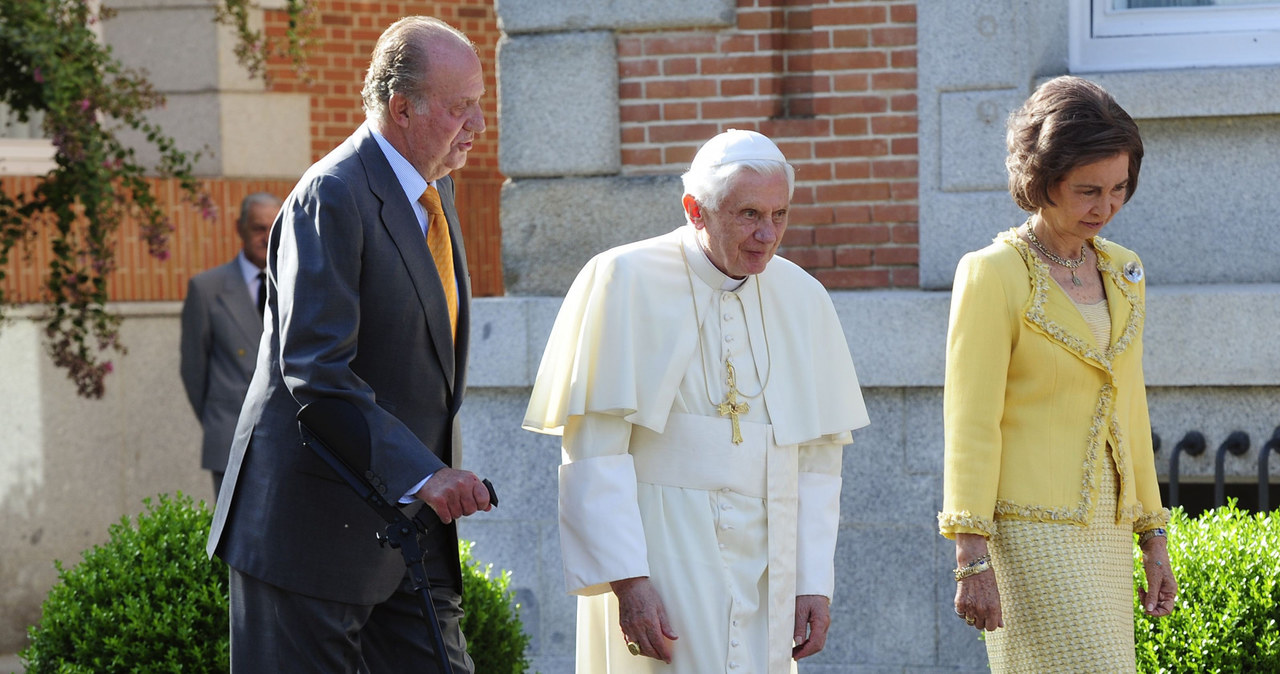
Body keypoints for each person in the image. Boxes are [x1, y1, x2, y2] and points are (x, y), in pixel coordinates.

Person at [523, 129, 870, 673]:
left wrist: (811, 581)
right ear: (695, 210)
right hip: (663, 550)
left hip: (767, 559)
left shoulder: (802, 296)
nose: (767, 234)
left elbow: (820, 460)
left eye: (780, 215)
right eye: (749, 214)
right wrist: (629, 580)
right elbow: (594, 449)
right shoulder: (624, 278)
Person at [206, 16, 491, 673]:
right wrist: (425, 474)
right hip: (309, 535)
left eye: (480, 106)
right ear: (402, 108)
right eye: (461, 108)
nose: (477, 126)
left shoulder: (434, 189)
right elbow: (316, 370)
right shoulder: (332, 195)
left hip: (405, 533)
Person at [939, 76, 1177, 672]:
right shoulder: (992, 273)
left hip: (1107, 525)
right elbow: (971, 420)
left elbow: (1132, 405)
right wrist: (972, 554)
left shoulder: (1125, 271)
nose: (1107, 207)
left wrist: (1153, 537)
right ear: (1041, 181)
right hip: (1028, 528)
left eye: (1120, 188)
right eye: (1088, 190)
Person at [180, 192, 281, 499]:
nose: (266, 237)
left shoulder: (299, 286)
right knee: (235, 543)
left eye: (273, 228)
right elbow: (194, 372)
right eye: (258, 228)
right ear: (239, 228)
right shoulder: (206, 289)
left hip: (286, 444)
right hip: (231, 442)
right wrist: (221, 420)